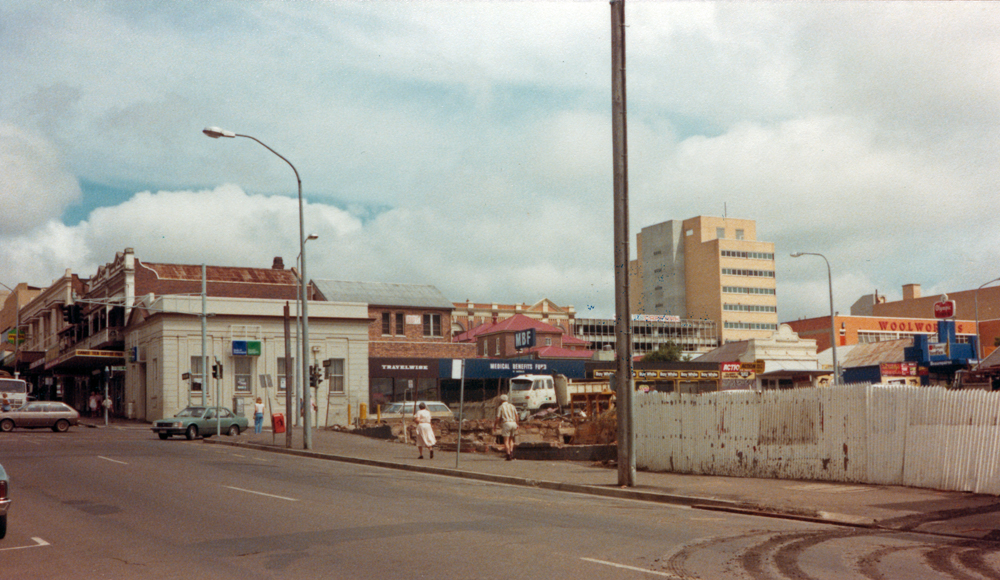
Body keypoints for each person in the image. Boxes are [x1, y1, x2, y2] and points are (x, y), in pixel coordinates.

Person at [494, 394, 519, 461]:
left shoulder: (501, 407)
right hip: (513, 423)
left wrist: (495, 425)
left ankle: (508, 454)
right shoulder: (512, 406)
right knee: (511, 439)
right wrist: (517, 423)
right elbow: (517, 416)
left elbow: (498, 417)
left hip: (506, 423)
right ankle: (511, 452)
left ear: (501, 400)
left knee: (506, 440)